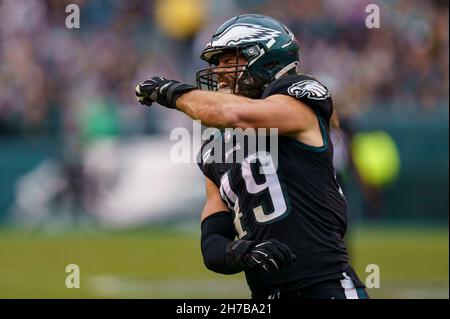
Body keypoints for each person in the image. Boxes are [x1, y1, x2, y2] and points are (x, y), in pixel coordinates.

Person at [135, 14, 369, 299]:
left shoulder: (299, 99)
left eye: (228, 60)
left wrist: (172, 92)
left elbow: (235, 113)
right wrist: (239, 253)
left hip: (325, 286)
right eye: (216, 63)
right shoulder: (215, 150)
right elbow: (212, 242)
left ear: (265, 59)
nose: (219, 72)